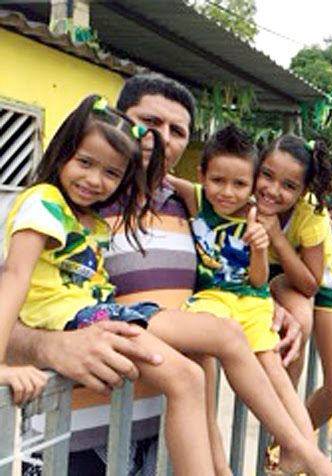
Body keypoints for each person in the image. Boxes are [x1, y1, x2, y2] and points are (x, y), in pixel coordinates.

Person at [7, 74, 331, 476]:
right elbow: (18, 291)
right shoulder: (67, 205)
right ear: (120, 122)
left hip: (165, 436)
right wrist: (45, 347)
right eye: (150, 122)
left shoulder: (191, 209)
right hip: (75, 436)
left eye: (177, 130)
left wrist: (271, 302)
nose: (161, 137)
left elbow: (213, 290)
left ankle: (294, 447)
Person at [0, 94, 219, 474]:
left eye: (111, 173)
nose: (93, 180)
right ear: (62, 152)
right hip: (80, 327)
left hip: (101, 323)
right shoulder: (43, 202)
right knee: (185, 377)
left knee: (220, 339)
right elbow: (14, 278)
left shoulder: (92, 220)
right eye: (85, 162)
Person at [166, 125, 332, 460]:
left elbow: (259, 281)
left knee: (274, 369)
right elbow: (160, 178)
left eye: (239, 184)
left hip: (252, 299)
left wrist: (261, 246)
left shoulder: (258, 216)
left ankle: (305, 451)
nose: (227, 193)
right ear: (202, 175)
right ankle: (218, 460)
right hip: (212, 298)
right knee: (205, 362)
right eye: (218, 181)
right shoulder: (197, 197)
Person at [254, 135, 332, 431]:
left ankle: (286, 442)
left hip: (325, 282)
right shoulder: (240, 195)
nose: (273, 191)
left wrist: (275, 234)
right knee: (300, 319)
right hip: (275, 275)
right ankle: (285, 423)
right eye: (267, 176)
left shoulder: (312, 212)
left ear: (303, 191)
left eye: (288, 185)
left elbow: (311, 284)